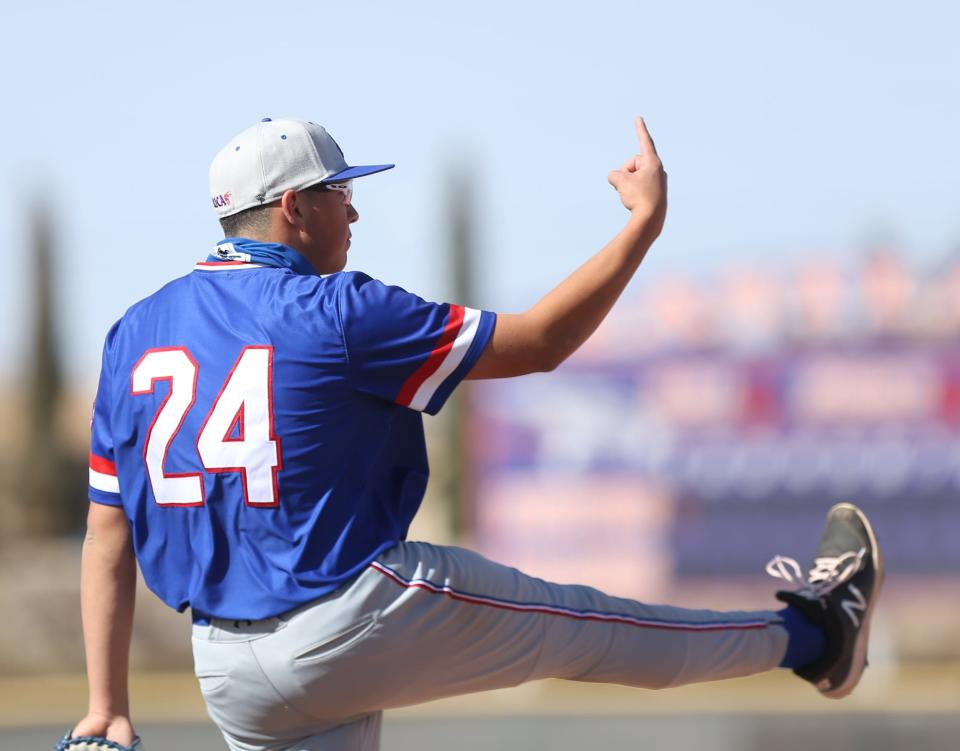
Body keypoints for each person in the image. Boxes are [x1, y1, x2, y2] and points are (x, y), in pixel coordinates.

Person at [68, 117, 882, 751]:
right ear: (292, 207)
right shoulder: (338, 310)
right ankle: (819, 635)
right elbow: (539, 343)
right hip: (351, 617)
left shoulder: (133, 332)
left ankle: (816, 637)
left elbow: (109, 534)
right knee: (591, 627)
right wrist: (643, 226)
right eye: (338, 191)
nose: (352, 206)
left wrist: (107, 705)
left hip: (223, 666)